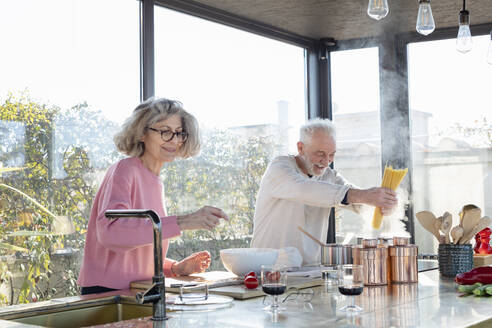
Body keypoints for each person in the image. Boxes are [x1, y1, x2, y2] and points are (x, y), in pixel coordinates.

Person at [78, 98, 228, 295]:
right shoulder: (126, 170)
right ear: (141, 133)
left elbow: (137, 246)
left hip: (138, 290)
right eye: (165, 131)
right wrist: (183, 221)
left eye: (179, 133)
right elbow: (111, 233)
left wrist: (174, 268)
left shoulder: (155, 181)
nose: (174, 140)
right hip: (107, 292)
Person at [251, 118, 397, 265]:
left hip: (308, 273)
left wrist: (382, 204)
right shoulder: (279, 167)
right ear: (301, 148)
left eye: (332, 154)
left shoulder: (329, 176)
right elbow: (303, 189)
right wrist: (363, 195)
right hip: (266, 269)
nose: (327, 161)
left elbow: (356, 201)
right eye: (320, 154)